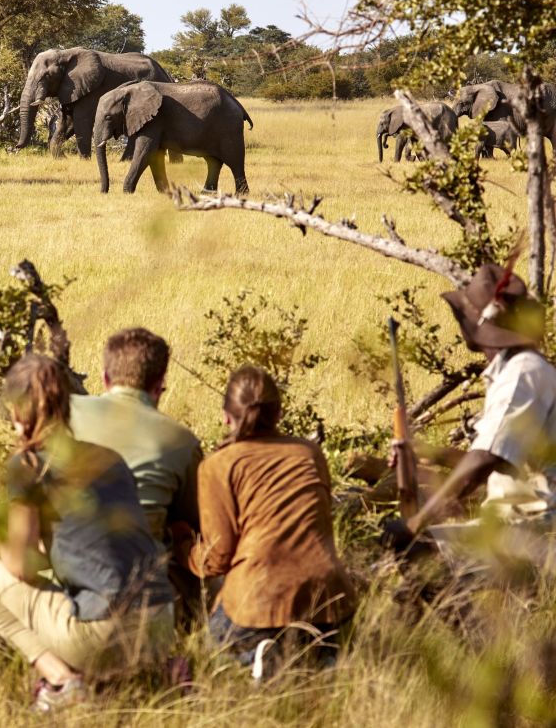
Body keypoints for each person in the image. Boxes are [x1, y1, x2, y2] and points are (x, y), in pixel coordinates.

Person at [0, 354, 176, 713]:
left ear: (16, 410)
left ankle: (63, 682)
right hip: (161, 626)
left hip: (104, 633)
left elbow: (21, 567)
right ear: (67, 402)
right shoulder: (111, 459)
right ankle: (152, 674)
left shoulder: (28, 466)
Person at [177, 365, 356, 673]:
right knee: (319, 654)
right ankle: (313, 656)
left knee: (207, 656)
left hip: (256, 600)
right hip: (328, 596)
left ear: (225, 416)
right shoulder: (308, 452)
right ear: (279, 414)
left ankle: (256, 658)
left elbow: (216, 559)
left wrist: (182, 546)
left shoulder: (218, 465)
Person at [383, 263, 556, 558]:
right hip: (521, 524)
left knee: (416, 550)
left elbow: (484, 460)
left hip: (536, 529)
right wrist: (425, 452)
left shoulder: (521, 374)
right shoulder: (514, 370)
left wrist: (416, 522)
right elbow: (500, 457)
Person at [70, 327, 203, 620]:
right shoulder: (181, 440)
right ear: (159, 385)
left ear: (105, 378)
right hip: (143, 593)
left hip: (67, 584)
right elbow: (195, 523)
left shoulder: (65, 413)